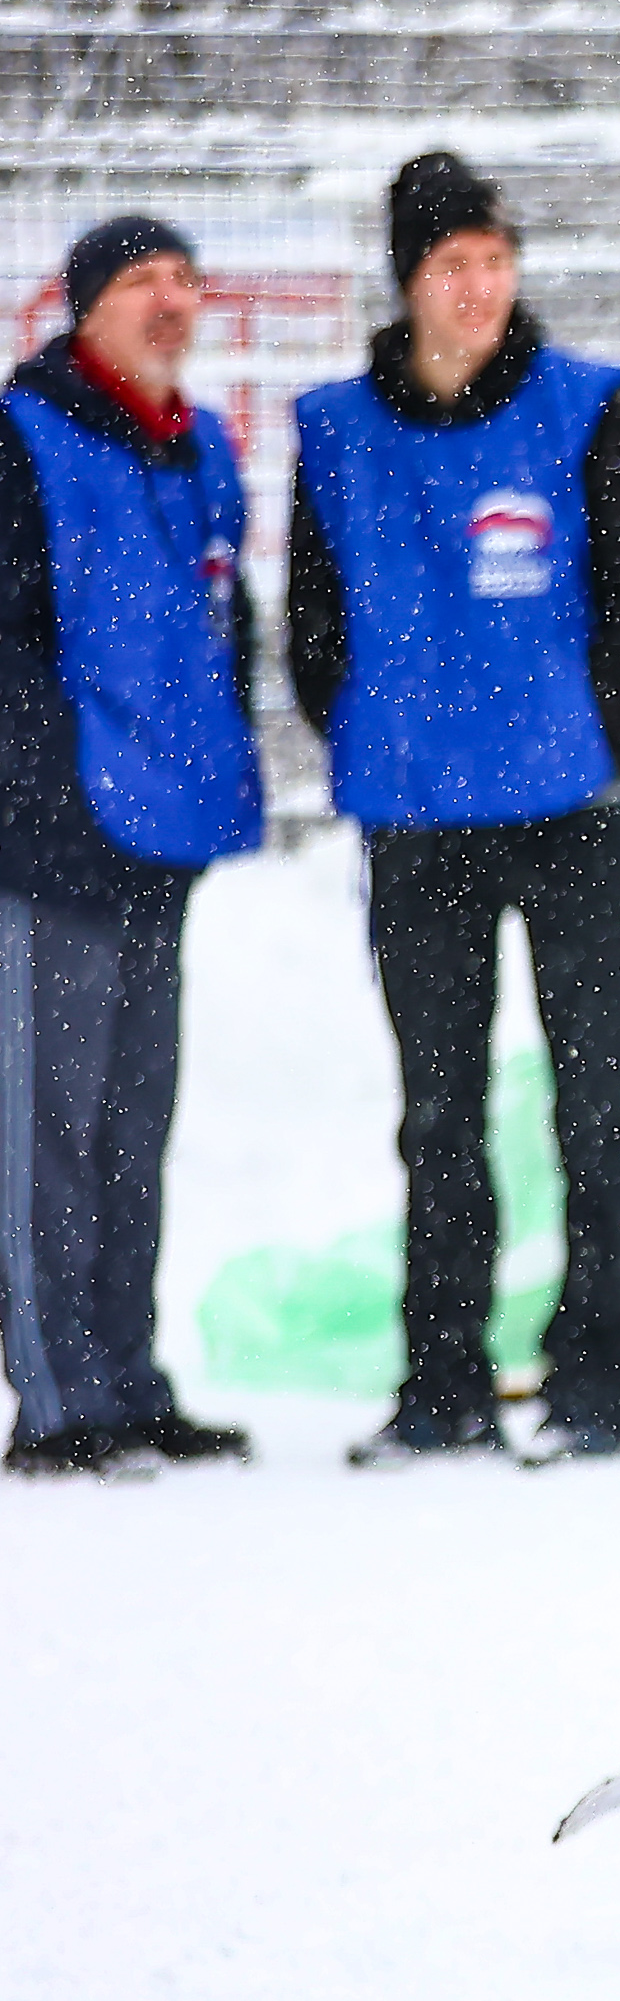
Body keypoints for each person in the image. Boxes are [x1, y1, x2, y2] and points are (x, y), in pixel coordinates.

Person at [290, 151, 620, 1468]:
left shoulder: (584, 411)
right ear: (407, 281)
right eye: (450, 266)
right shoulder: (340, 434)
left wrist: (588, 718)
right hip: (415, 820)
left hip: (568, 808)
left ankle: (596, 1381)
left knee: (597, 1097)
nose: (477, 289)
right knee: (438, 1114)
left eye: (495, 262)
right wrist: (372, 724)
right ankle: (444, 1382)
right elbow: (312, 623)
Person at [0, 218, 265, 1480]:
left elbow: (226, 625)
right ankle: (58, 1401)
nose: (170, 303)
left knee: (131, 1122)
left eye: (184, 282)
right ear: (82, 308)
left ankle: (130, 1373)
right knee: (43, 1126)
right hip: (55, 837)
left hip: (159, 830)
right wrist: (47, 788)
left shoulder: (196, 445)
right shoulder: (24, 438)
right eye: (140, 284)